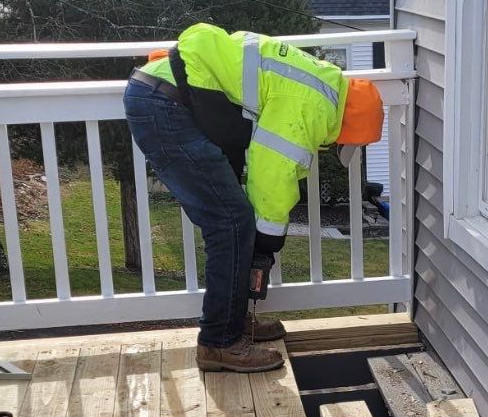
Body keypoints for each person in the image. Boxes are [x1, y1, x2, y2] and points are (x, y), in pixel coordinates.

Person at [124, 22, 386, 373]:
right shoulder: (313, 107)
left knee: (234, 221)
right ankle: (220, 342)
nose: (337, 146)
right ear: (348, 126)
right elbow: (271, 175)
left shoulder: (321, 84)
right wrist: (268, 240)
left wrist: (261, 238)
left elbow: (275, 161)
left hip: (167, 94)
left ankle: (235, 327)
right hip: (167, 104)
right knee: (231, 224)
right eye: (346, 141)